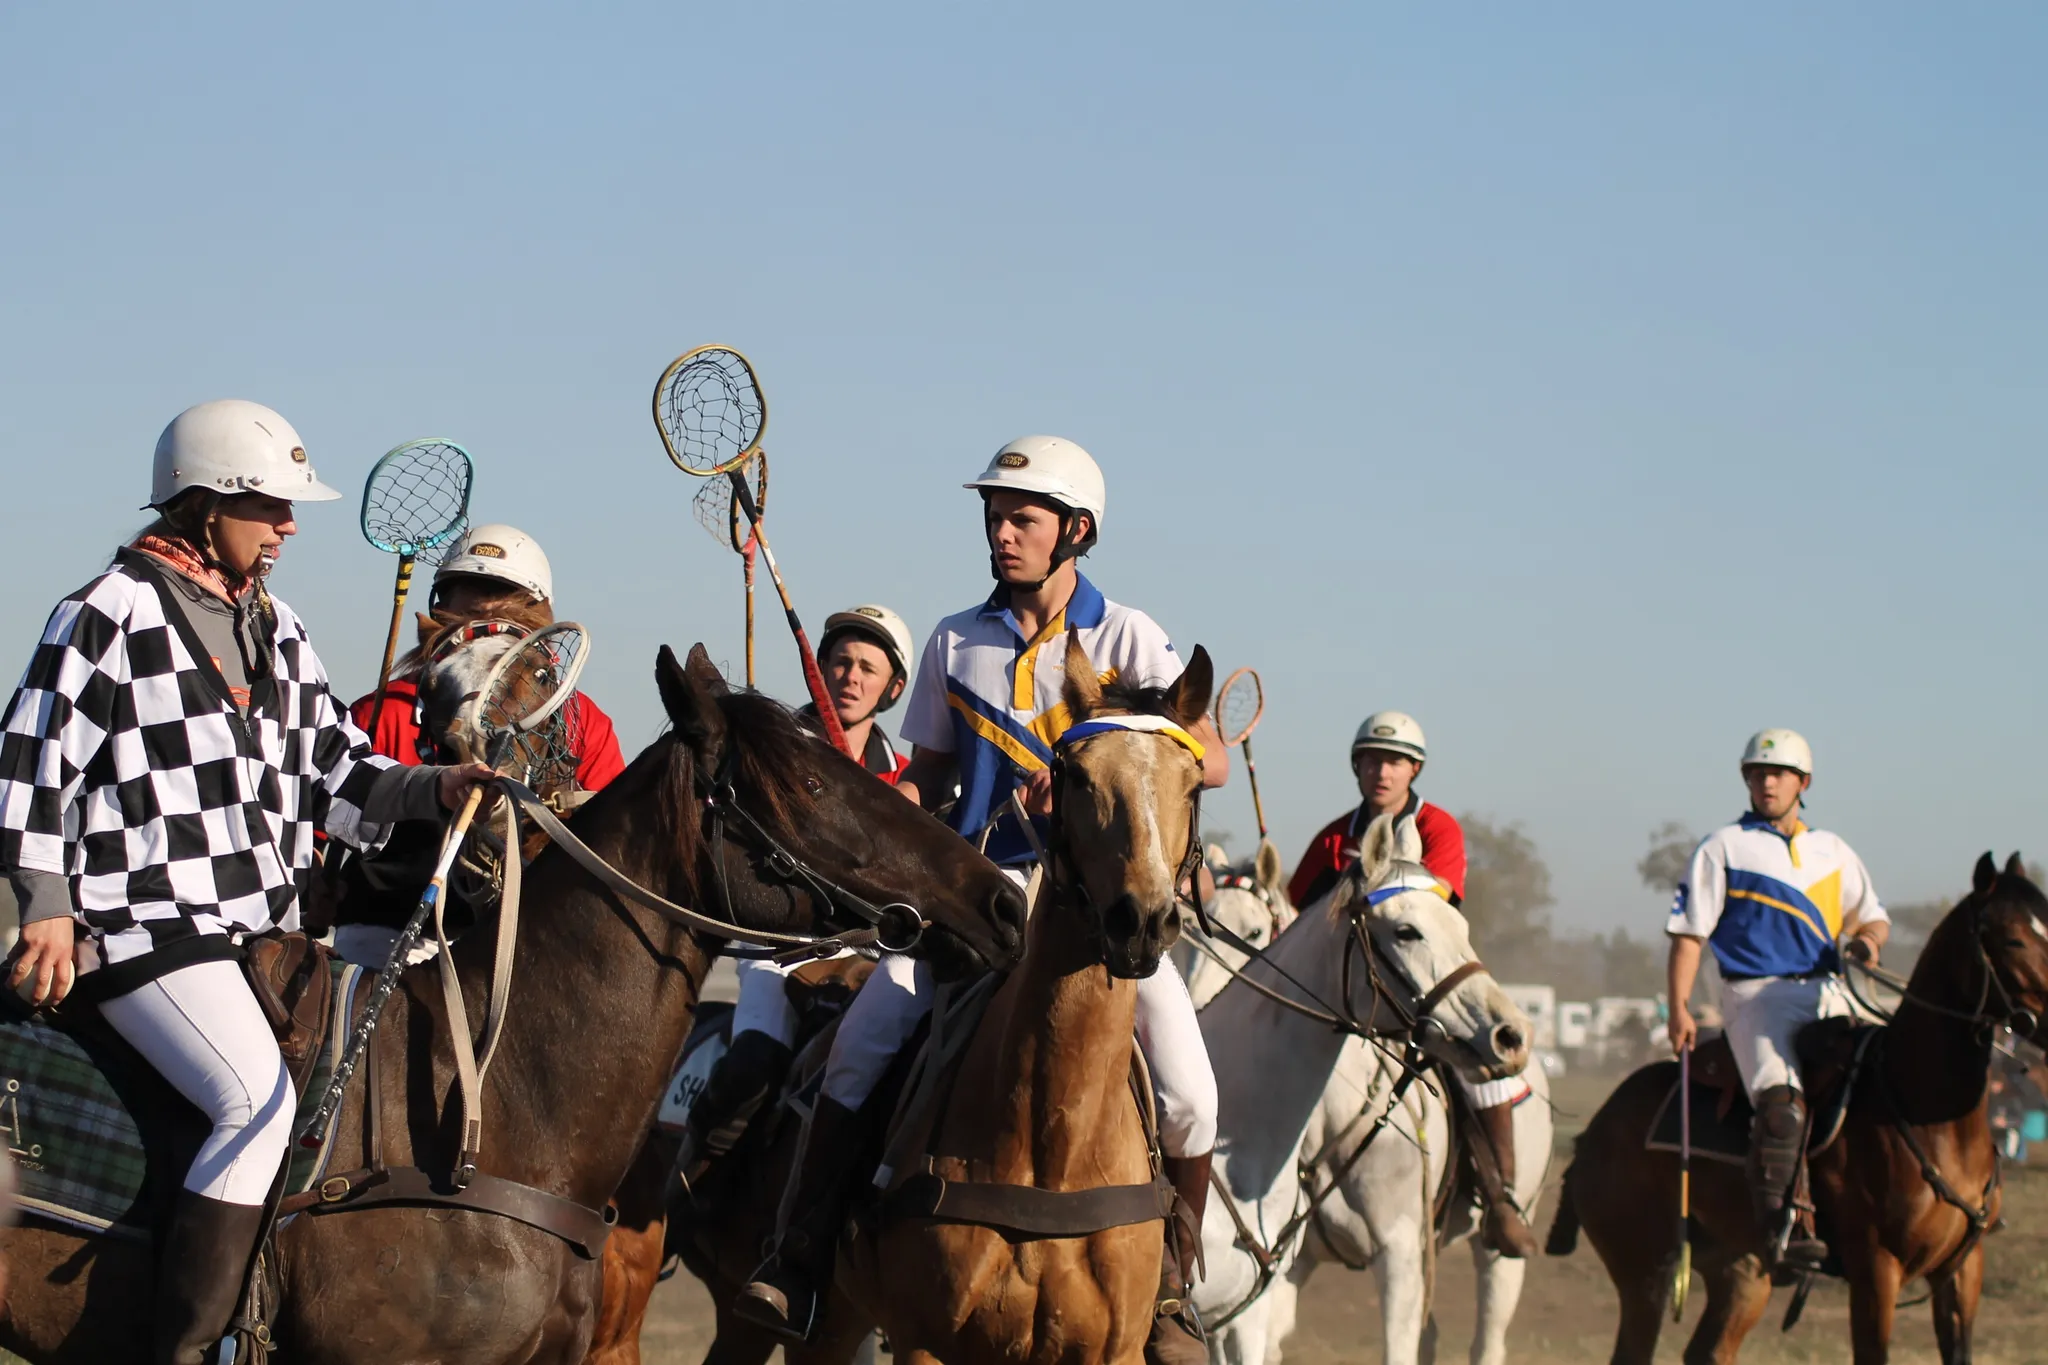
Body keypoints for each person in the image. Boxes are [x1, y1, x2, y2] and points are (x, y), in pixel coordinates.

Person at [0, 401, 494, 1364]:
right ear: (202, 505)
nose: (290, 526)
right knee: (257, 1104)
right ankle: (192, 1350)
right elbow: (26, 768)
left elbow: (344, 775)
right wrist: (46, 907)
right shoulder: (107, 611)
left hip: (263, 940)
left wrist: (441, 785)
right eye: (270, 505)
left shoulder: (279, 625)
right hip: (142, 930)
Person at [734, 437, 1230, 1364]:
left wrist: (1100, 774)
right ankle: (799, 1256)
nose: (1002, 532)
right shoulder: (954, 638)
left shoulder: (1128, 634)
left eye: (1022, 517)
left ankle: (1170, 1291)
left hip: (1096, 906)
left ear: (1074, 530)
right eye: (994, 516)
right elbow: (923, 776)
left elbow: (1206, 754)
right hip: (976, 892)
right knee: (856, 1049)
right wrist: (856, 821)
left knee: (1193, 1094)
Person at [675, 604, 919, 1189]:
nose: (851, 677)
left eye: (867, 667)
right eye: (839, 662)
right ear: (819, 670)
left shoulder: (908, 777)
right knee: (756, 1063)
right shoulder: (778, 748)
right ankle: (684, 1198)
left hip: (867, 957)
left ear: (893, 688)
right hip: (778, 948)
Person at [1287, 711, 1538, 1257]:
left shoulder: (1437, 826)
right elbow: (1296, 909)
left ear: (1414, 770)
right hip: (1356, 990)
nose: (1383, 771)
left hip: (1428, 971)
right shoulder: (1334, 837)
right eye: (1373, 759)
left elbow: (1434, 901)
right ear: (1357, 767)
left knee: (1482, 1067)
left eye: (1395, 761)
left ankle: (1501, 1200)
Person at [326, 523, 628, 966]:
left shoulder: (585, 721)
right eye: (471, 592)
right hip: (392, 932)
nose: (486, 611)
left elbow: (610, 848)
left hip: (532, 944)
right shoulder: (382, 712)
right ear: (440, 609)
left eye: (500, 594)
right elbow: (320, 829)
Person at [1665, 728, 1888, 1270]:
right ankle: (1784, 1228)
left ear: (1802, 783)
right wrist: (1678, 1008)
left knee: (1886, 1077)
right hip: (1755, 997)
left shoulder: (1832, 850)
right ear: (1746, 780)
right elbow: (1689, 936)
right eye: (1758, 773)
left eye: (1779, 774)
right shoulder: (1723, 847)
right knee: (1782, 1105)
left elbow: (1873, 917)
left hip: (1831, 992)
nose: (1767, 782)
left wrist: (1866, 942)